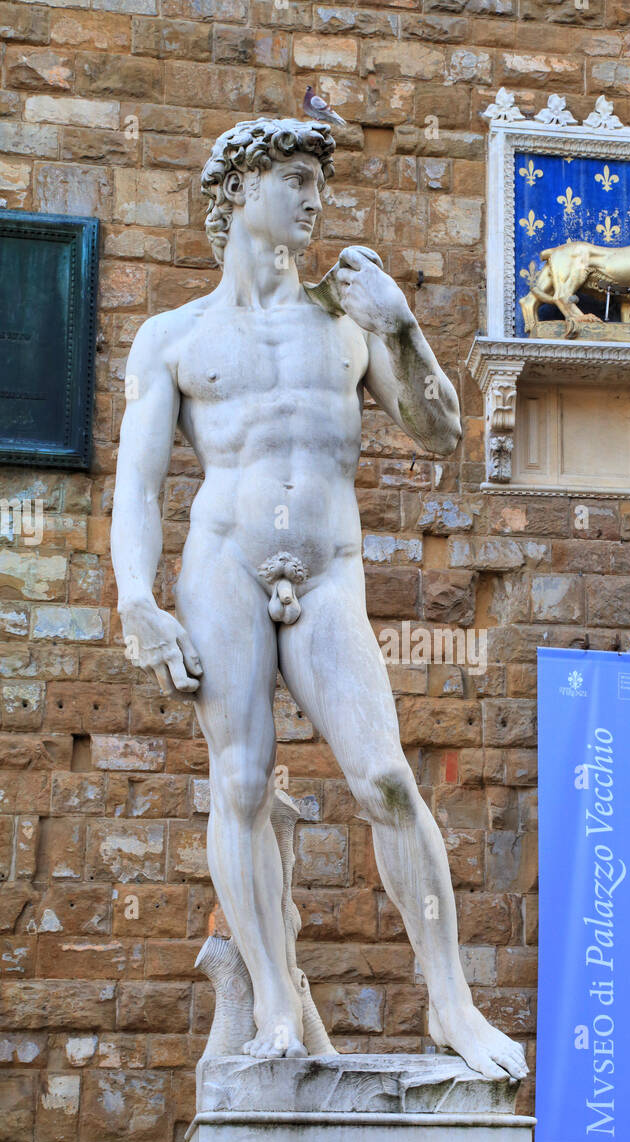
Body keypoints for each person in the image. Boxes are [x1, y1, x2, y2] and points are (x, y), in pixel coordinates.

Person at [110, 118, 527, 1083]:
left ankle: (452, 1005)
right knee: (244, 784)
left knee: (385, 777)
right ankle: (272, 997)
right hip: (224, 566)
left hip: (330, 571)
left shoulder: (345, 316)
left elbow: (440, 432)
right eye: (296, 180)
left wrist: (401, 323)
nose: (315, 199)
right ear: (242, 190)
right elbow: (135, 487)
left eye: (318, 184)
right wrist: (137, 600)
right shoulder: (173, 338)